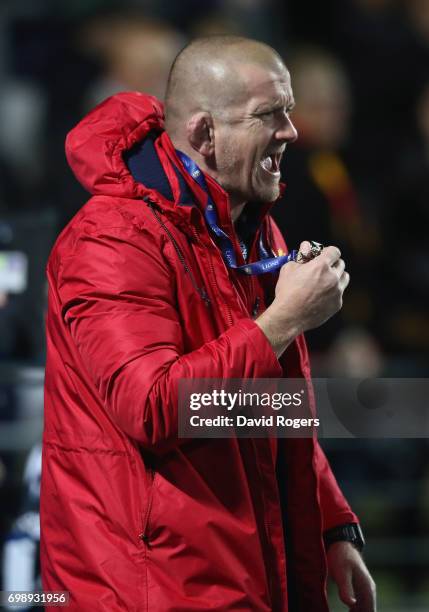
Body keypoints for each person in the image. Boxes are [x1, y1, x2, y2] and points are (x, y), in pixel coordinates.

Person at [41, 36, 376, 611]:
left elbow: (269, 407)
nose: (291, 132)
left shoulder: (247, 225)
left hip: (235, 572)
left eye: (289, 109)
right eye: (269, 115)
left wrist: (331, 526)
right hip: (145, 589)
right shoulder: (112, 239)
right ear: (204, 134)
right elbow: (153, 408)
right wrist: (281, 322)